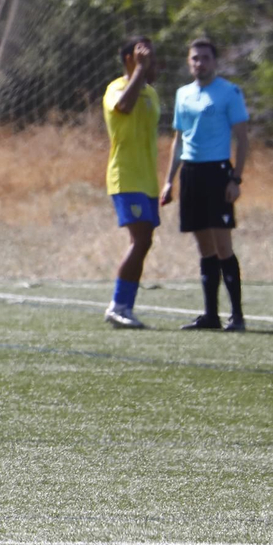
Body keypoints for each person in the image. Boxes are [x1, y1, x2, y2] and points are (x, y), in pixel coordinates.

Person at [161, 37, 251, 332]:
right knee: (204, 248)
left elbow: (243, 138)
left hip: (217, 173)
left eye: (205, 58)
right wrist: (168, 181)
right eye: (195, 59)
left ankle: (236, 316)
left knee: (224, 246)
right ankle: (210, 315)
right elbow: (178, 140)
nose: (199, 63)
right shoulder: (183, 94)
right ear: (189, 63)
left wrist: (235, 178)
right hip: (191, 174)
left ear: (215, 61)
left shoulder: (229, 92)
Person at [101, 36, 162, 330]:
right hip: (125, 177)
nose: (154, 64)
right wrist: (139, 69)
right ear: (131, 59)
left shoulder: (151, 93)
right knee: (140, 240)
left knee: (144, 241)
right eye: (147, 57)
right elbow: (123, 106)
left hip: (147, 180)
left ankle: (125, 306)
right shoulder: (116, 88)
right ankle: (118, 305)